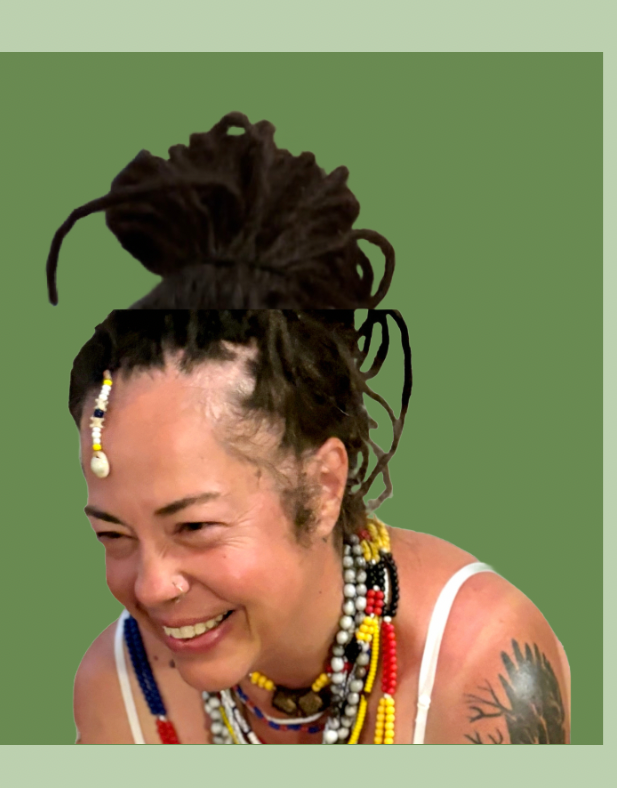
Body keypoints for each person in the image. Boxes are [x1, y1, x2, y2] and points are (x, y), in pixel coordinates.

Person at [46, 112, 571, 744]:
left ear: (323, 487)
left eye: (194, 527)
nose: (152, 585)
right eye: (114, 535)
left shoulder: (479, 666)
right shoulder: (121, 687)